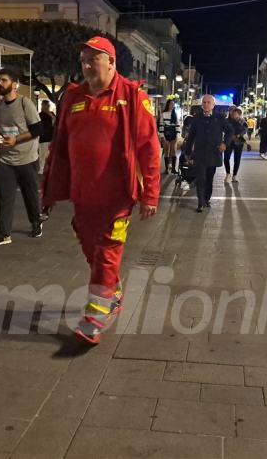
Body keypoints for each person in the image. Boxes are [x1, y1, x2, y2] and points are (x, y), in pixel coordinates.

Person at [42, 36, 160, 344]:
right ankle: (112, 288)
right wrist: (50, 186)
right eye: (83, 60)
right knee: (90, 247)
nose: (86, 65)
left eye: (93, 59)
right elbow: (59, 146)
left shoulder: (133, 97)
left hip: (118, 197)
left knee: (107, 251)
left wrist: (150, 194)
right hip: (83, 195)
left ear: (111, 62)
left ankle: (95, 316)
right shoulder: (72, 97)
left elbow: (149, 148)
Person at [0, 67, 44, 246]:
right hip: (5, 160)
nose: (0, 83)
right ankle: (4, 234)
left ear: (14, 84)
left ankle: (36, 222)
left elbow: (37, 129)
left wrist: (16, 139)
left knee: (30, 195)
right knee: (5, 197)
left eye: (4, 80)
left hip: (27, 159)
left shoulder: (24, 103)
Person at [184, 94, 234, 211]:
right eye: (204, 102)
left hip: (213, 153)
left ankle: (206, 198)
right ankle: (200, 202)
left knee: (209, 179)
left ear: (213, 105)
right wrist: (187, 152)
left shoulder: (219, 118)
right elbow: (191, 136)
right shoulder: (196, 118)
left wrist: (224, 143)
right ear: (202, 105)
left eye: (208, 102)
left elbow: (230, 131)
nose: (206, 104)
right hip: (200, 154)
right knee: (201, 178)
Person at [224, 107, 247, 183]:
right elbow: (223, 129)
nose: (233, 113)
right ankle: (228, 173)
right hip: (229, 142)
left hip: (238, 142)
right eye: (231, 111)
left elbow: (244, 130)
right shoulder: (226, 121)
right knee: (226, 158)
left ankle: (235, 175)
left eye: (235, 112)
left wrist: (238, 135)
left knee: (237, 160)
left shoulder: (242, 121)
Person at [161, 99, 179, 174]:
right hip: (166, 132)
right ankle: (166, 169)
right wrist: (162, 136)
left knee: (173, 151)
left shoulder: (175, 114)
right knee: (166, 151)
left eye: (173, 104)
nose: (172, 105)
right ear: (168, 104)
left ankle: (173, 169)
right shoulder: (163, 114)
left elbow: (177, 125)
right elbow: (161, 125)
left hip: (173, 133)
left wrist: (177, 135)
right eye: (171, 104)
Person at [38, 99, 55, 175]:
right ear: (42, 106)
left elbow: (56, 122)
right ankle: (41, 169)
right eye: (46, 105)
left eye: (48, 106)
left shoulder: (51, 114)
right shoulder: (40, 115)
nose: (47, 107)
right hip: (43, 138)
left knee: (51, 155)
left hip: (51, 137)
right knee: (43, 155)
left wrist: (51, 115)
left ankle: (50, 169)